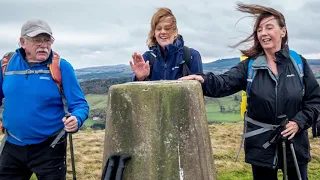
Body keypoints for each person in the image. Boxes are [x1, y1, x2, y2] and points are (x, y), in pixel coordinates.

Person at [179, 3, 320, 180]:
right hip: (261, 146)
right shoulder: (250, 66)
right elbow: (224, 82)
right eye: (259, 30)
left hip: (295, 144)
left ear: (283, 31)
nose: (263, 33)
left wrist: (298, 123)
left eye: (269, 27)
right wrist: (203, 79)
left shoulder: (298, 63)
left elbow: (315, 101)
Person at [0, 19, 89, 179]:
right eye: (37, 40)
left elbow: (80, 104)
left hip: (50, 147)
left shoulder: (62, 67)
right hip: (12, 145)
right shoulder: (7, 65)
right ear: (23, 42)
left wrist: (77, 119)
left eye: (47, 40)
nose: (43, 45)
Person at [129, 7, 203, 81]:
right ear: (154, 33)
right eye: (158, 29)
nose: (163, 32)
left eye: (167, 28)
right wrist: (139, 78)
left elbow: (201, 88)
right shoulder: (147, 58)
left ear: (175, 32)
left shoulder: (191, 56)